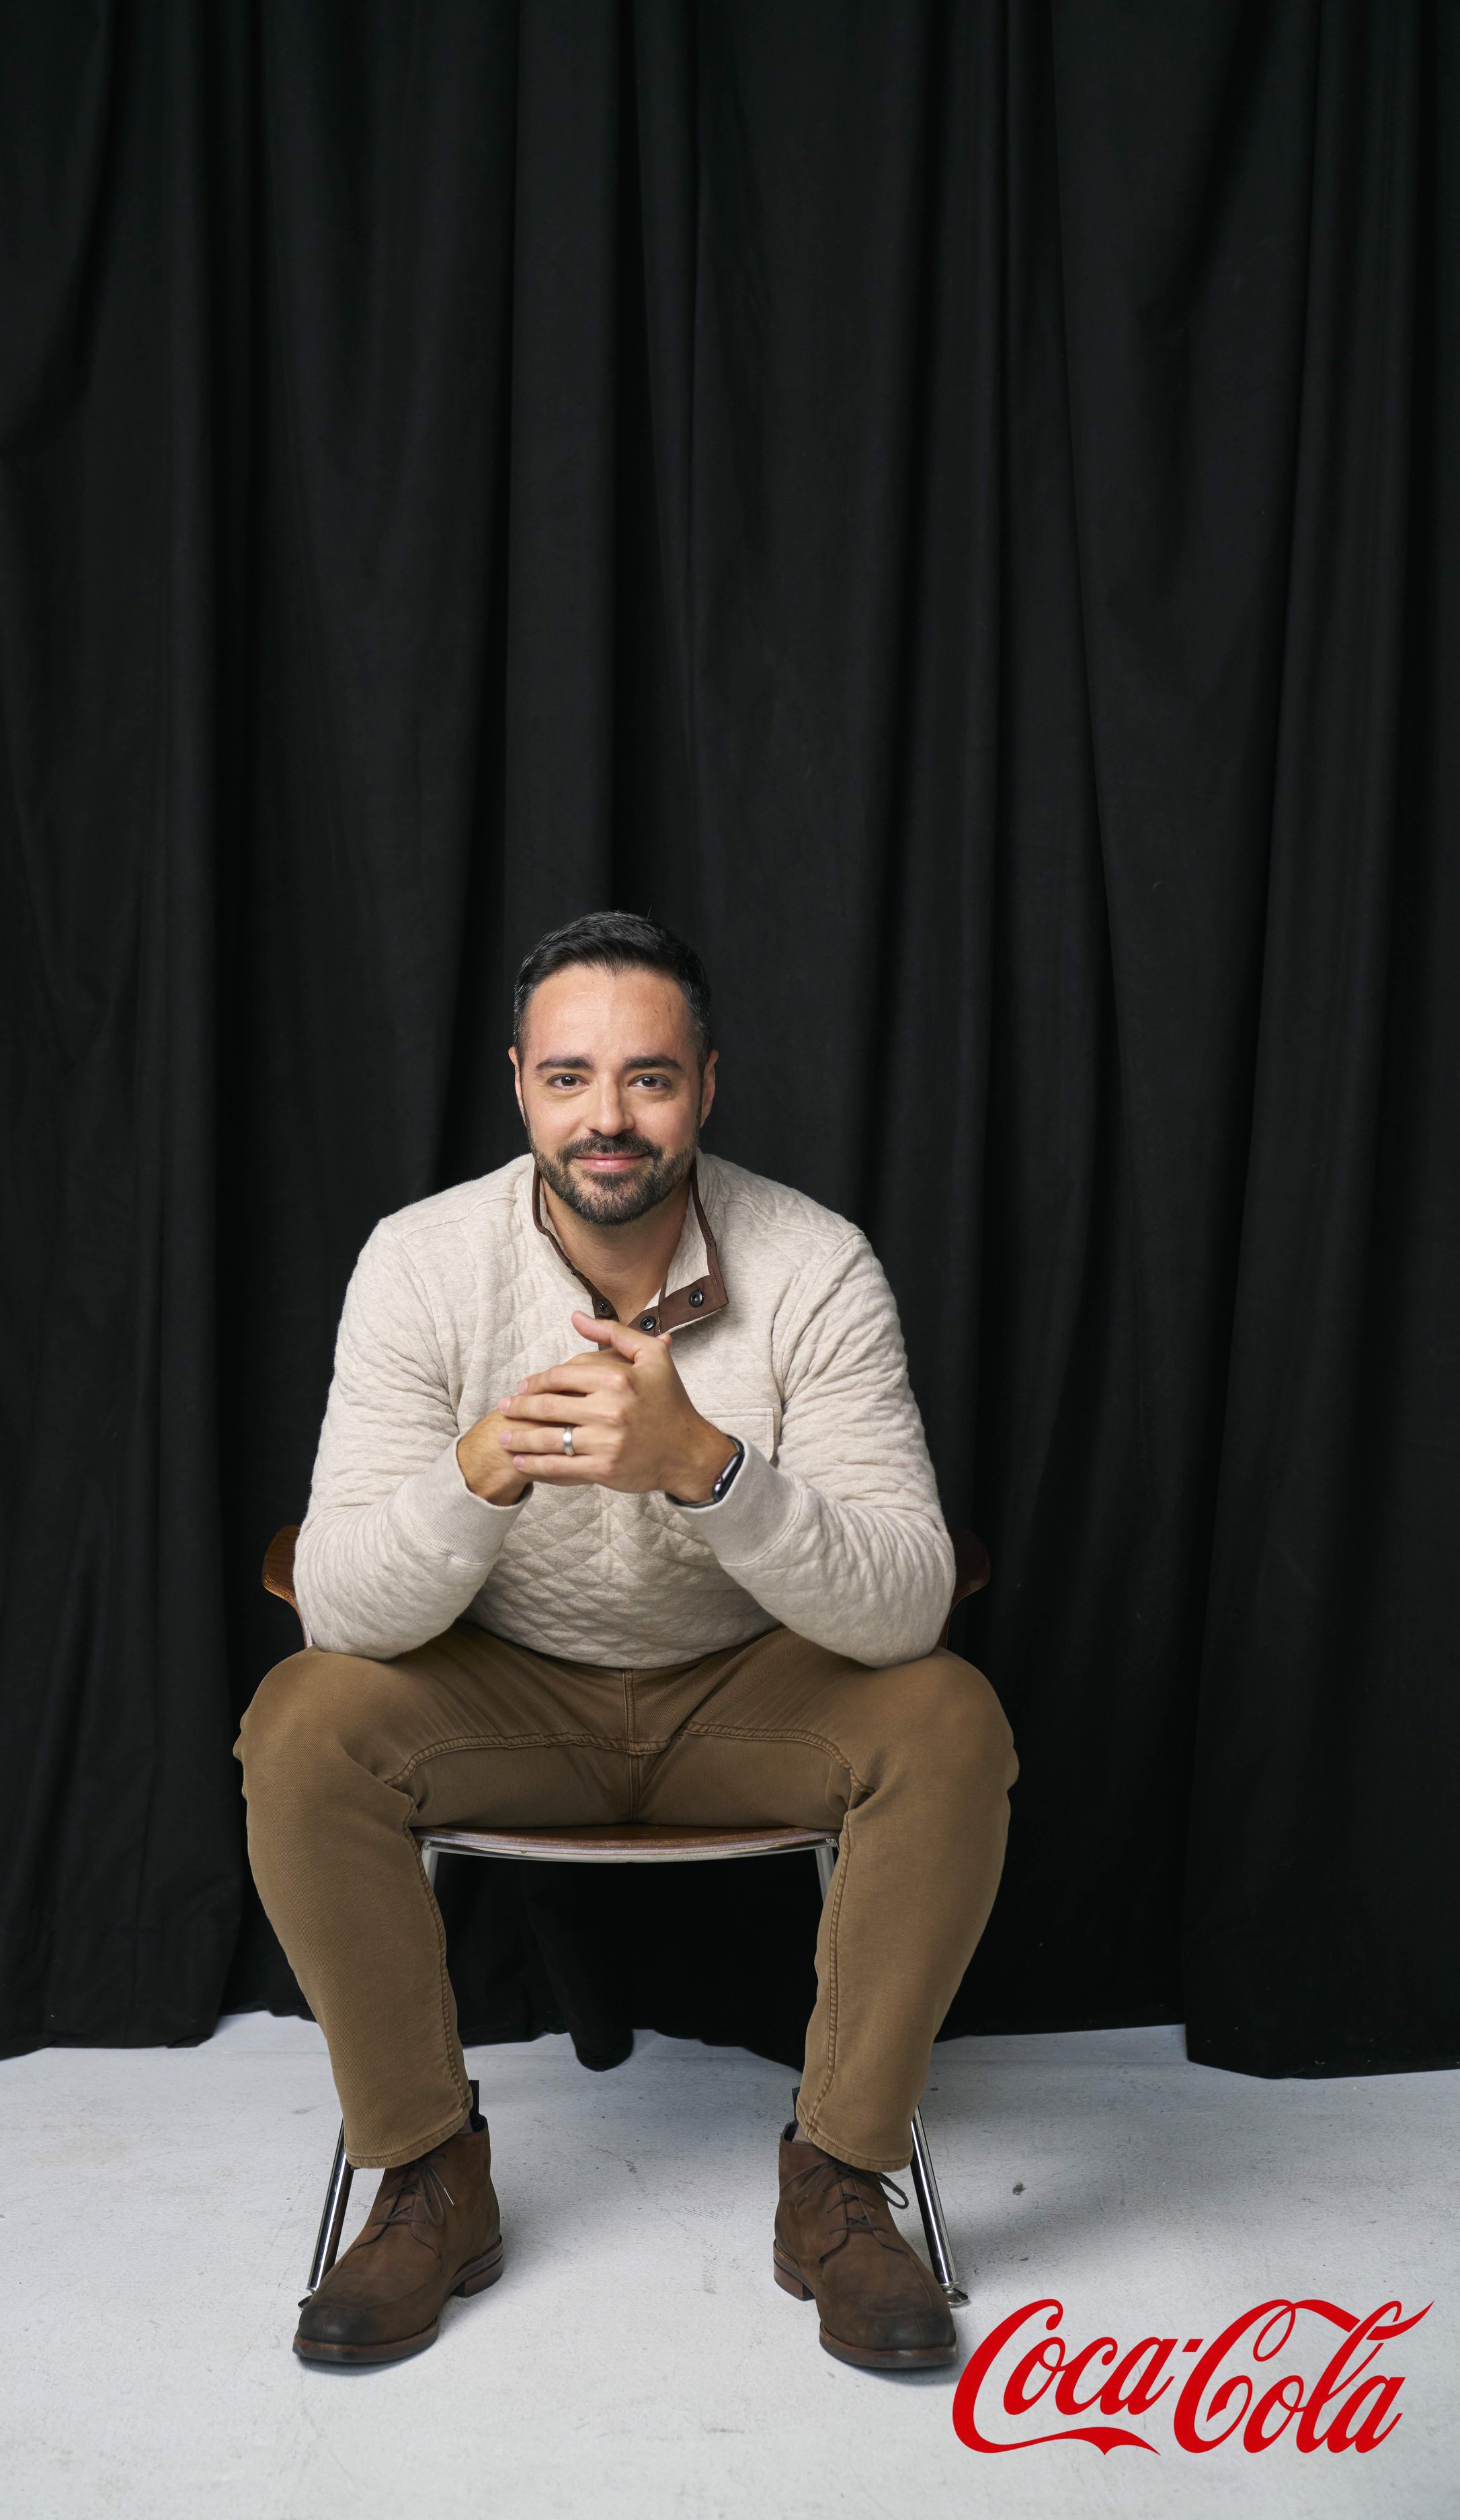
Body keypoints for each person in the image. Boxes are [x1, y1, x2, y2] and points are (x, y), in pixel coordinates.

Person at [237, 911, 1017, 2372]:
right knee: (300, 1720)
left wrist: (710, 1471)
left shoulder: (816, 1264)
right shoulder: (419, 1264)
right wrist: (477, 1475)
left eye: (649, 1079)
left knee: (948, 1713)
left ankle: (837, 2185)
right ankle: (425, 2179)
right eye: (572, 1078)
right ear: (519, 1086)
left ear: (706, 1089)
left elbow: (907, 1599)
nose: (609, 1118)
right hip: (504, 1695)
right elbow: (339, 1602)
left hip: (750, 1694)